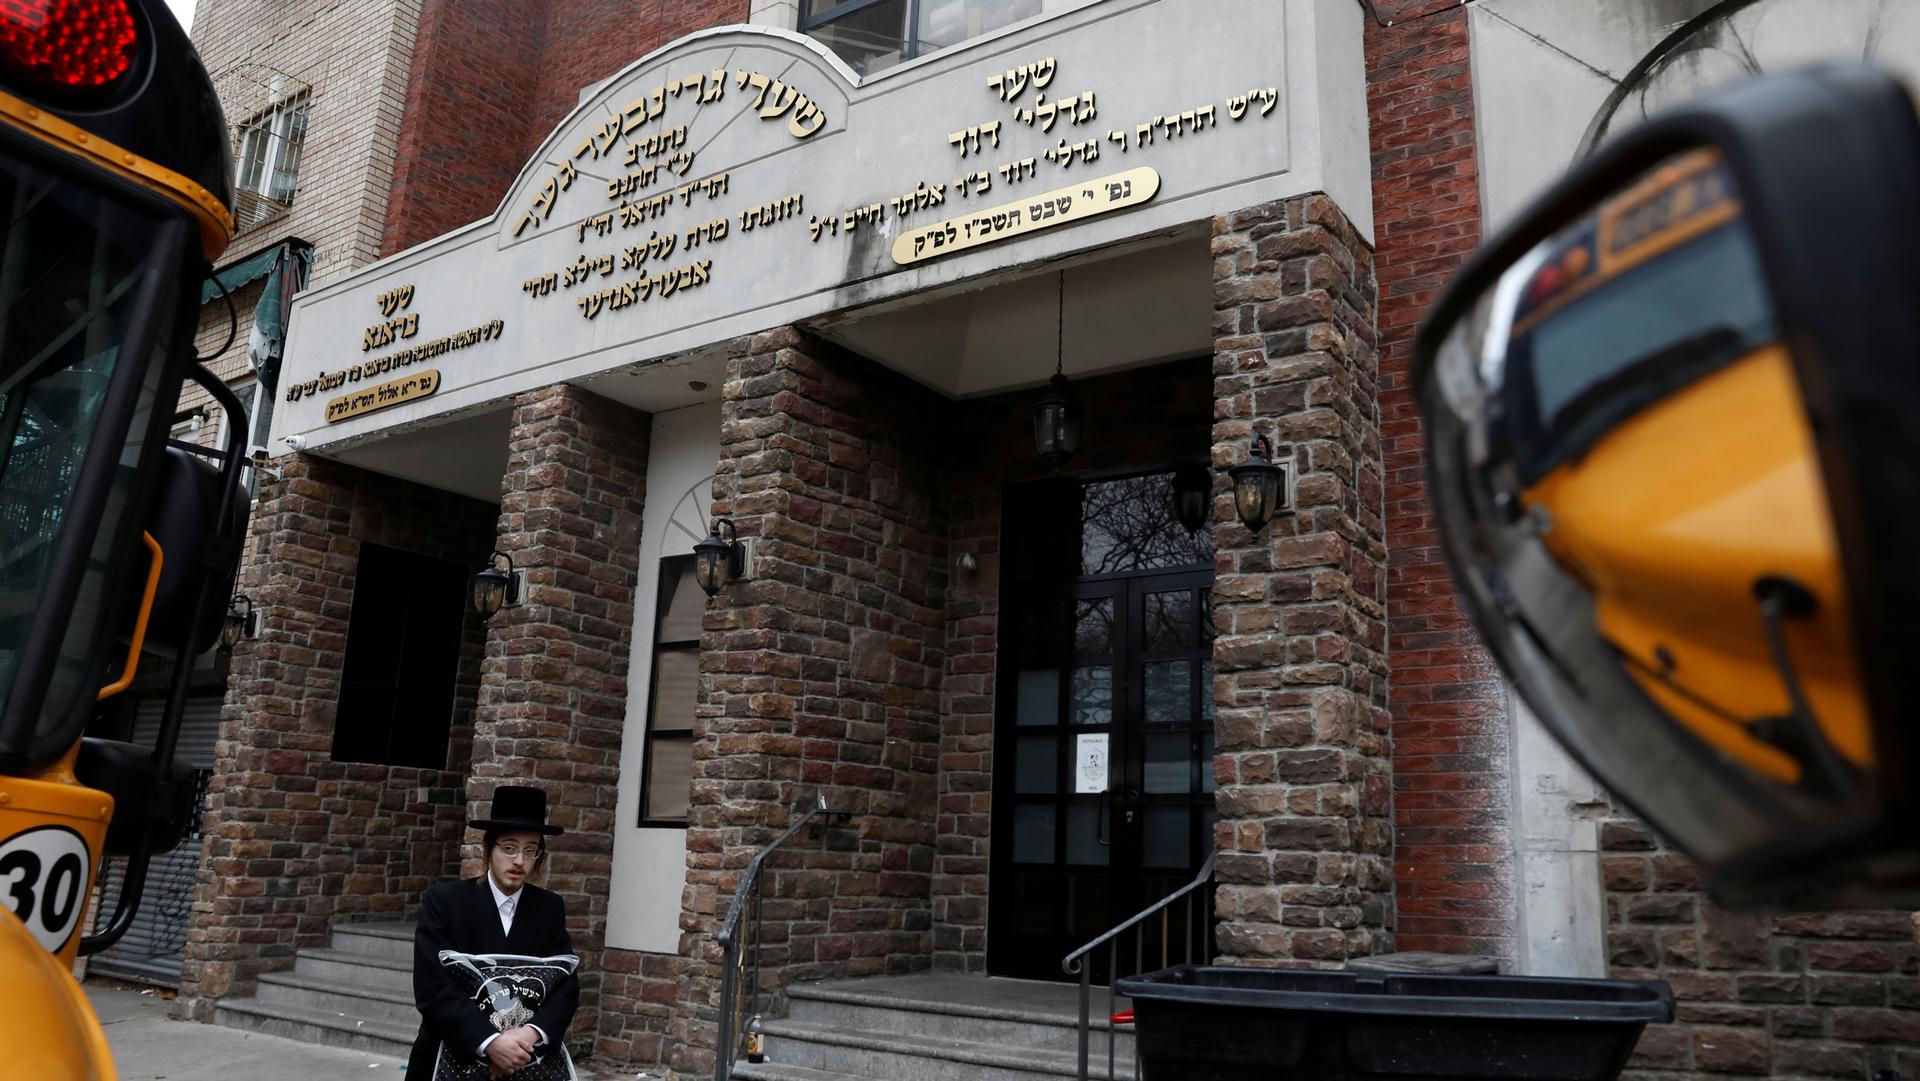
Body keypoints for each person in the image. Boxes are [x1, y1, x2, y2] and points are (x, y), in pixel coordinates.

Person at [408, 785, 578, 1079]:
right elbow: (432, 987)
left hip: (526, 1060)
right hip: (450, 1056)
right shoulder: (446, 901)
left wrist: (528, 1036)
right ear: (489, 848)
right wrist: (490, 1042)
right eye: (509, 847)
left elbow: (566, 987)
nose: (519, 861)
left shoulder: (549, 907)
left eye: (530, 850)